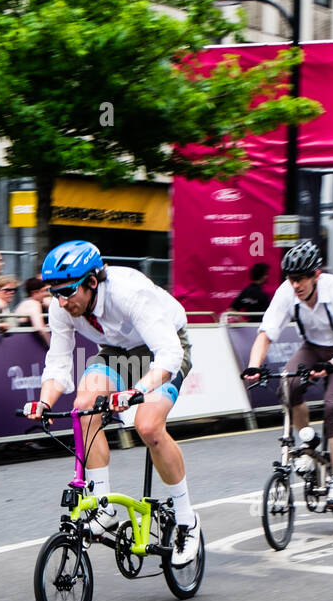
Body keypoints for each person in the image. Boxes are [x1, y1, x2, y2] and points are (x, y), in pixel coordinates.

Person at [23, 240, 201, 564]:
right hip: (117, 352)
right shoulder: (62, 305)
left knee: (148, 426)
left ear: (92, 282)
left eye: (67, 291)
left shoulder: (128, 291)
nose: (61, 301)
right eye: (54, 292)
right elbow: (59, 362)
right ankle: (103, 507)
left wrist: (137, 391)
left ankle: (187, 519)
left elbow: (170, 354)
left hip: (163, 349)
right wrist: (44, 403)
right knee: (84, 405)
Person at [241, 240, 333, 509]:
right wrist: (254, 365)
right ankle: (308, 440)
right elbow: (266, 333)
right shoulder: (287, 292)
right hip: (313, 347)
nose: (296, 286)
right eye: (291, 279)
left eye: (301, 279)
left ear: (316, 275)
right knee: (288, 387)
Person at [14, 277, 51, 346]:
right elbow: (39, 328)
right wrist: (52, 346)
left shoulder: (39, 303)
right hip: (26, 345)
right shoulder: (33, 304)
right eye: (45, 290)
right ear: (35, 292)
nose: (47, 293)